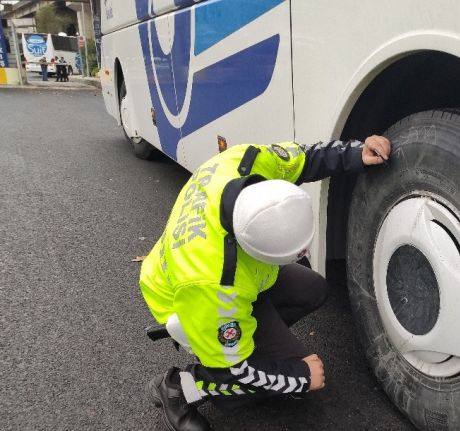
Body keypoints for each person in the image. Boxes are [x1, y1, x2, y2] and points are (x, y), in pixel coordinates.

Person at [140, 136, 391, 431]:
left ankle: (254, 345)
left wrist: (356, 152)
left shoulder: (243, 163)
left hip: (233, 279)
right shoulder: (212, 284)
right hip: (185, 302)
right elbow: (234, 370)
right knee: (277, 378)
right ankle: (180, 387)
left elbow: (303, 158)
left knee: (312, 289)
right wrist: (297, 376)